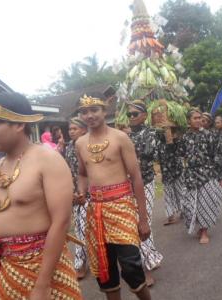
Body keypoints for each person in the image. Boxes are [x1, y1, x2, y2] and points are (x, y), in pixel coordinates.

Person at [0, 92, 82, 299]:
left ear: (19, 124)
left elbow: (61, 222)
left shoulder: (47, 159)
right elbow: (10, 211)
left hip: (45, 268)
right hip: (9, 267)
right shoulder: (1, 164)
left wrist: (42, 284)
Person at [74, 95, 152, 300]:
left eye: (94, 110)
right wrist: (81, 191)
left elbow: (136, 177)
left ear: (104, 111)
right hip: (96, 210)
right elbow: (82, 173)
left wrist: (143, 219)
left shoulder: (120, 138)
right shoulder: (80, 143)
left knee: (131, 265)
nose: (89, 115)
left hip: (122, 206)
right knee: (104, 267)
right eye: (84, 111)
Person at [126, 100, 163, 287]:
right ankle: (150, 256)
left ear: (144, 115)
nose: (131, 117)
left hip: (145, 182)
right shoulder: (124, 135)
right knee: (133, 223)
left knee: (142, 222)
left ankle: (146, 267)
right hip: (125, 186)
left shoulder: (151, 133)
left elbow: (148, 153)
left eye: (135, 114)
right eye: (129, 115)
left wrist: (126, 145)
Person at [177, 109, 222, 244]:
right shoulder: (185, 137)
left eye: (200, 118)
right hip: (191, 176)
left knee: (205, 204)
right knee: (188, 205)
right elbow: (181, 154)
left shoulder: (209, 135)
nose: (198, 120)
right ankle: (197, 225)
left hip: (207, 175)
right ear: (189, 121)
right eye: (195, 118)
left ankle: (204, 231)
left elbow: (216, 156)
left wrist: (221, 175)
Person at [65, 117, 89, 279]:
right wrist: (73, 193)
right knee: (80, 230)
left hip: (92, 194)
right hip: (75, 195)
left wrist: (85, 193)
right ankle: (80, 264)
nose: (71, 131)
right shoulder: (68, 148)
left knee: (94, 229)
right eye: (70, 129)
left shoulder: (90, 145)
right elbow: (68, 171)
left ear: (84, 130)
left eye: (75, 129)